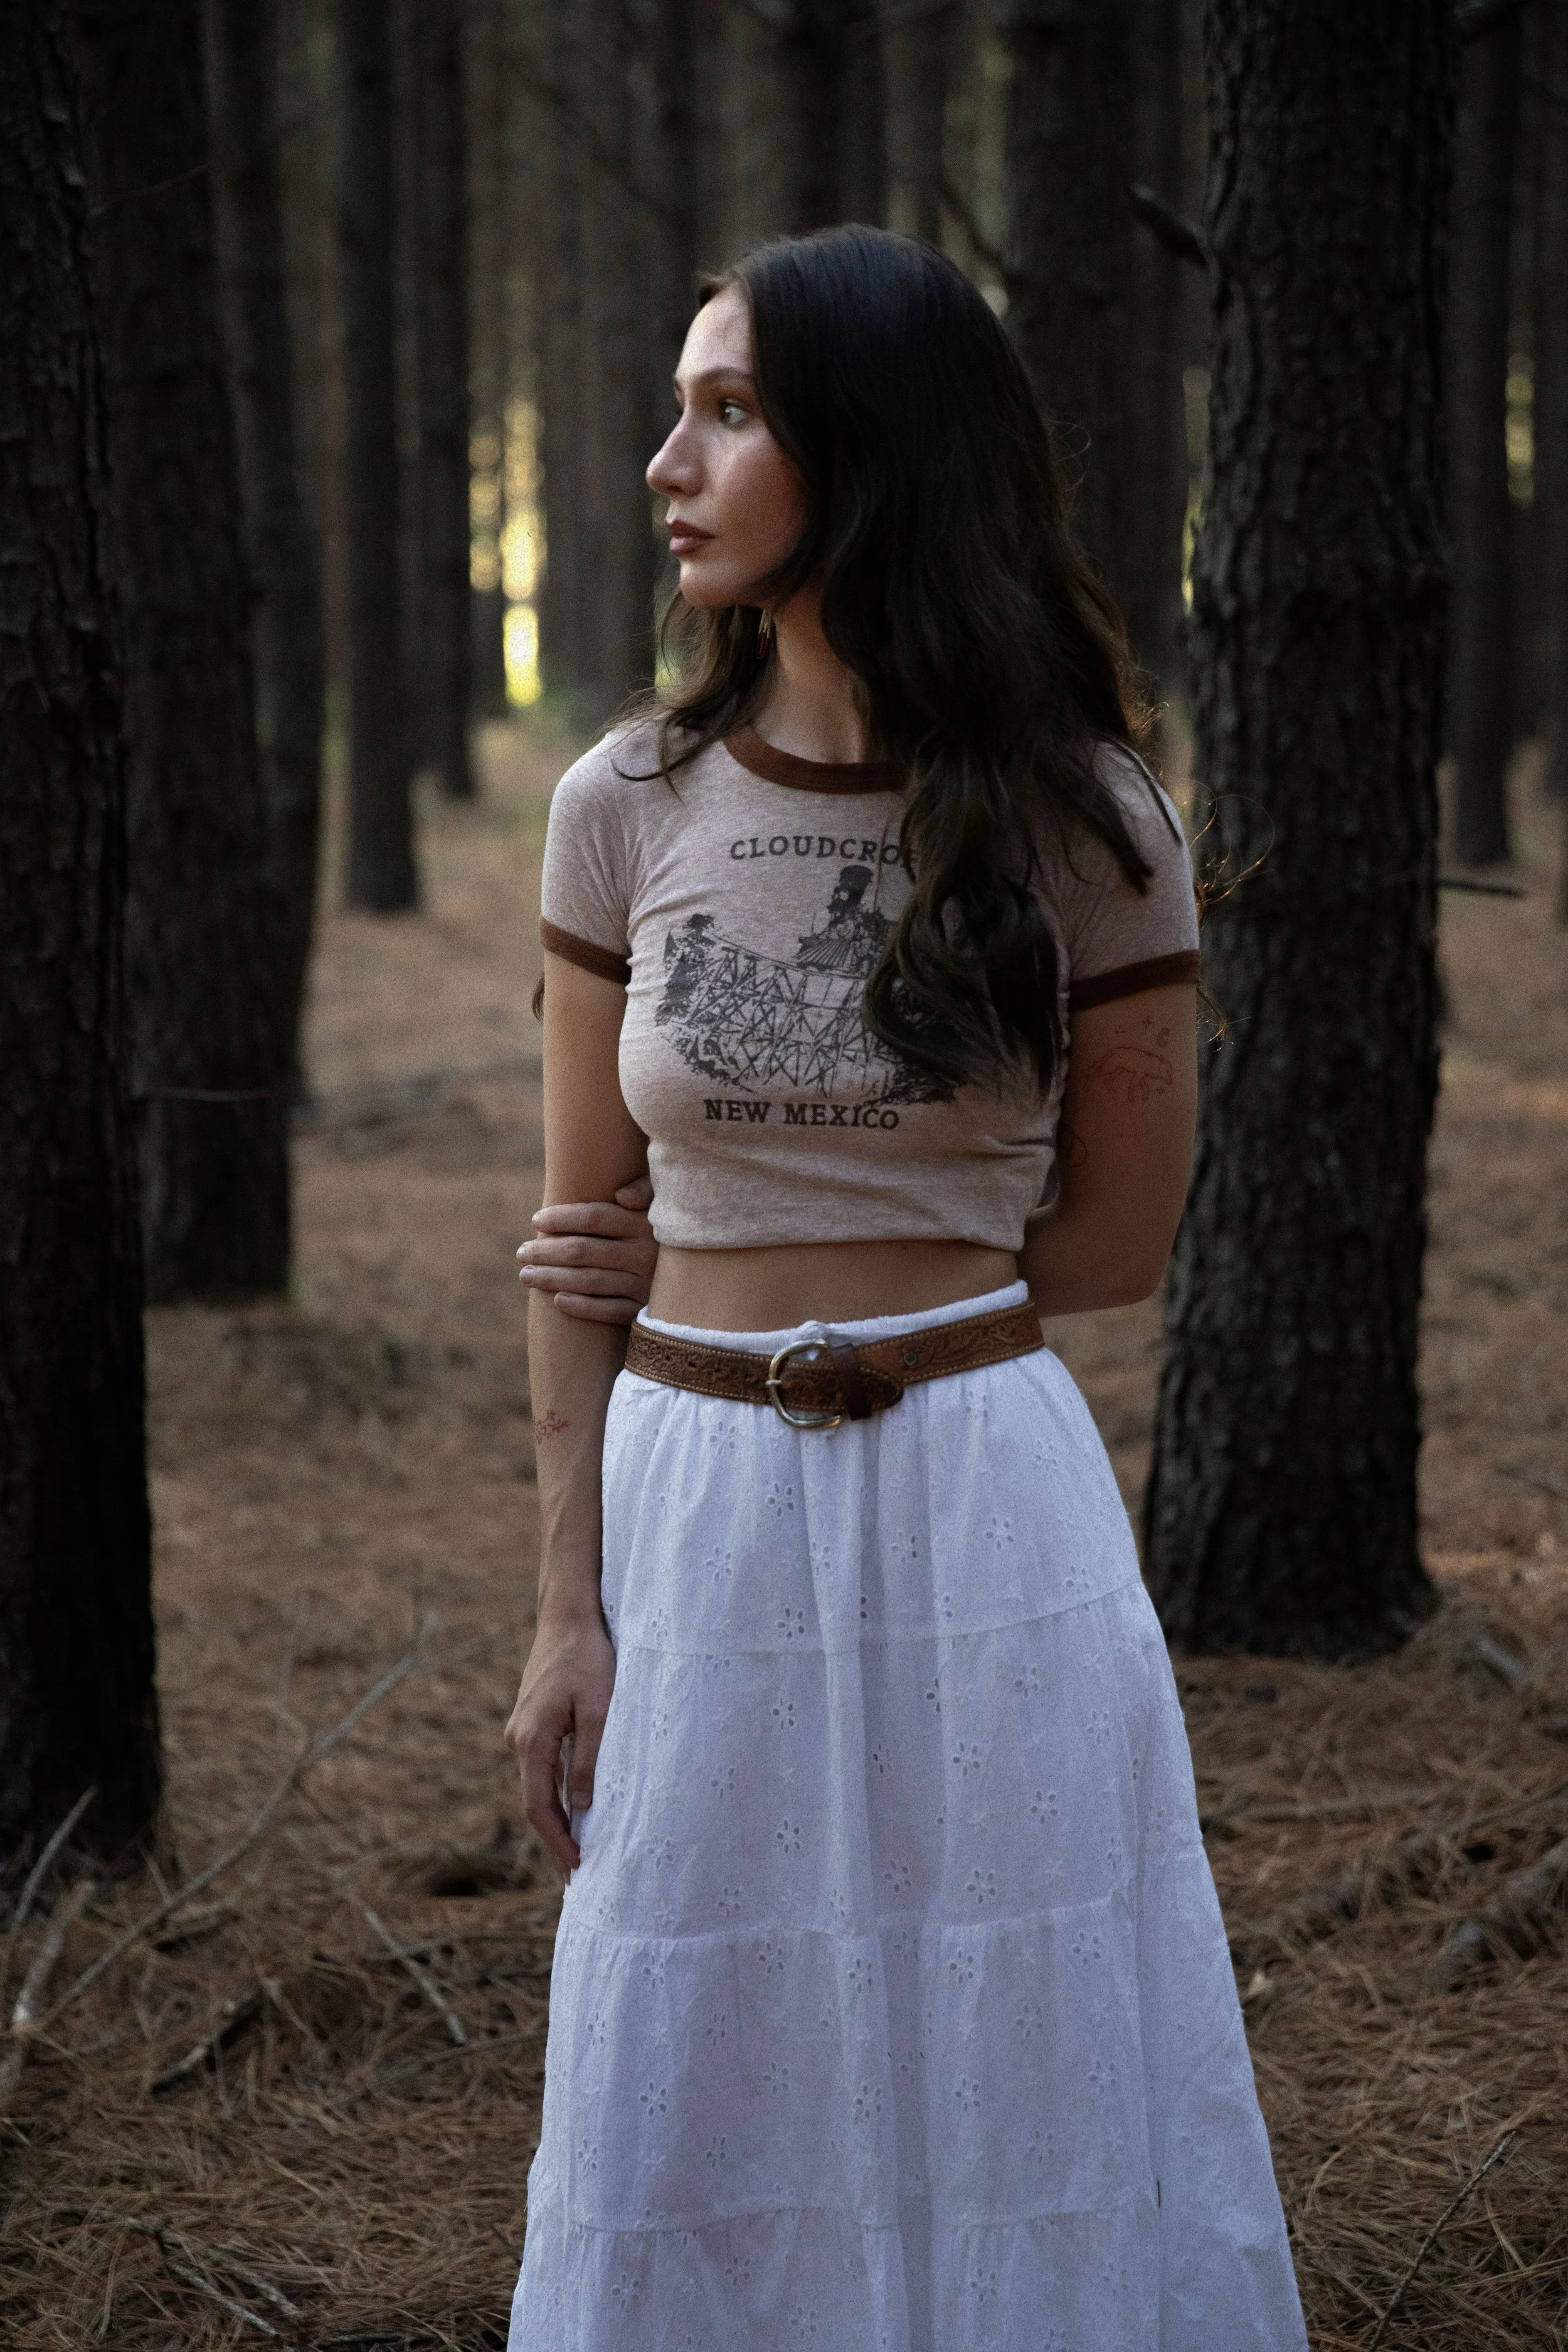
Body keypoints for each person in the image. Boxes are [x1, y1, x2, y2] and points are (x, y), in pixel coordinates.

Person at [504, 225, 1306, 2352]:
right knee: (703, 2014)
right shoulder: (622, 807)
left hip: (976, 1493)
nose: (664, 458)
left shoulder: (1084, 824)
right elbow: (580, 1238)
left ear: (872, 452)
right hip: (688, 1501)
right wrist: (567, 1601)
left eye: (729, 409)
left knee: (1016, 2014)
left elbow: (1115, 1248)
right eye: (678, 404)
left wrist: (878, 1309)